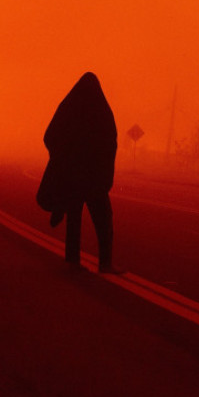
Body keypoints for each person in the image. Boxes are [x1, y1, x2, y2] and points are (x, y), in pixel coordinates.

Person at [37, 72, 119, 273]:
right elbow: (110, 144)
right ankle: (105, 263)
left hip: (72, 177)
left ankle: (72, 260)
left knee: (74, 218)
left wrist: (63, 158)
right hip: (94, 179)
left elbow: (50, 136)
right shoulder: (102, 112)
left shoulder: (67, 109)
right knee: (104, 220)